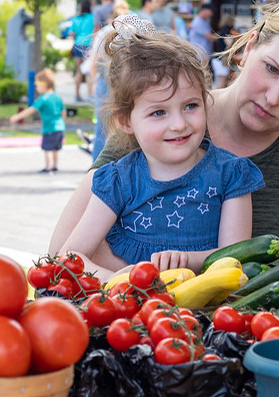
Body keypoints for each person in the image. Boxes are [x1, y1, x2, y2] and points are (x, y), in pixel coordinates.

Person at [49, 0, 279, 264]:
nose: (273, 96)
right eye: (271, 69)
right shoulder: (156, 127)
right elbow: (58, 259)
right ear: (248, 47)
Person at [60, 19, 264, 276]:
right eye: (158, 112)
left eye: (191, 106)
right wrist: (116, 280)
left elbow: (236, 256)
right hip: (127, 309)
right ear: (125, 121)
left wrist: (186, 260)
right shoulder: (118, 181)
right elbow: (69, 257)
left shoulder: (231, 174)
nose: (179, 124)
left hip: (206, 311)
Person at [88, 2, 137, 160]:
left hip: (104, 81)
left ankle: (96, 167)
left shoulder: (104, 32)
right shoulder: (131, 32)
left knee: (102, 128)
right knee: (126, 125)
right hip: (125, 81)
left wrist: (93, 83)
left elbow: (93, 62)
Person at [9, 68, 66, 173]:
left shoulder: (42, 99)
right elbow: (63, 111)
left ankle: (48, 167)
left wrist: (17, 117)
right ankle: (55, 165)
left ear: (44, 84)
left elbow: (31, 110)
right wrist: (62, 123)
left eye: (37, 84)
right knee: (55, 149)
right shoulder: (57, 97)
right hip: (60, 127)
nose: (36, 87)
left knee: (47, 149)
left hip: (49, 128)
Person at [70, 0, 94, 101]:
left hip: (77, 45)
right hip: (87, 46)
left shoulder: (76, 19)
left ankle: (77, 95)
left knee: (79, 71)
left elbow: (71, 33)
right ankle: (90, 95)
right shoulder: (92, 17)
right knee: (88, 71)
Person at [211, 13, 237, 89]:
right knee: (221, 84)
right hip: (221, 60)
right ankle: (215, 100)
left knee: (218, 83)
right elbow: (228, 44)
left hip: (216, 59)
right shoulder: (228, 32)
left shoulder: (221, 30)